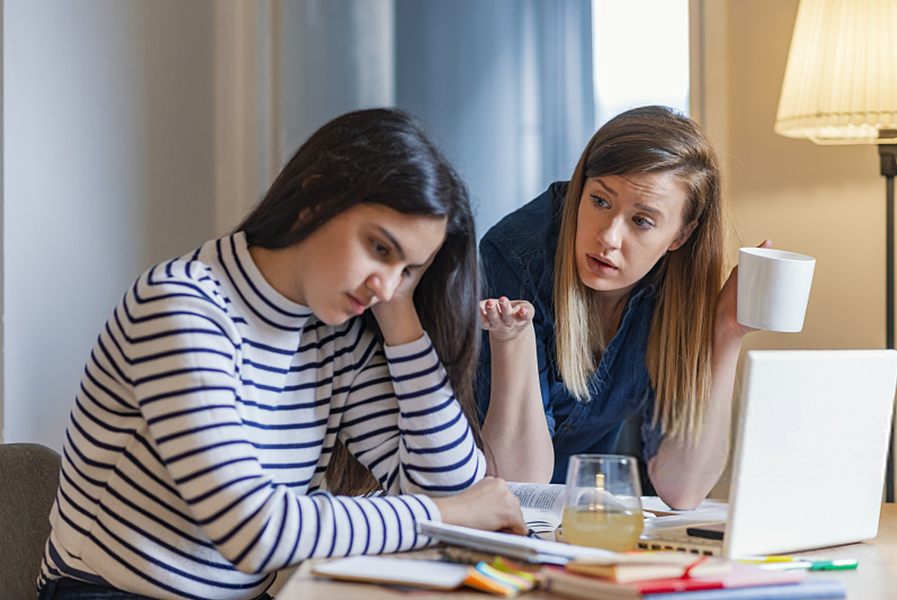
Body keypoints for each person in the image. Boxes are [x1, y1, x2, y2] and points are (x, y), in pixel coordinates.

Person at [38, 108, 526, 600]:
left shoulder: (338, 330)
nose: (384, 284)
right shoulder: (180, 309)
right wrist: (448, 516)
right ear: (314, 198)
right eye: (380, 247)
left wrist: (400, 315)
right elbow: (253, 531)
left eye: (409, 269)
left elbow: (452, 487)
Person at [476, 105, 767, 510]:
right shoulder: (516, 256)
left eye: (642, 221)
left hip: (583, 516)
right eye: (599, 200)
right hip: (478, 508)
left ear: (681, 234)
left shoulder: (676, 286)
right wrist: (514, 341)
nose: (608, 237)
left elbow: (682, 489)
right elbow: (518, 481)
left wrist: (727, 333)